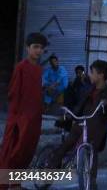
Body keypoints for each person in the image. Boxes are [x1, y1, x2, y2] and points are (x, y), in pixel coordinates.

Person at [47, 60, 107, 190]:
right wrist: (70, 113)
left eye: (92, 72)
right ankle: (48, 173)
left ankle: (91, 181)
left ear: (101, 75)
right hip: (81, 121)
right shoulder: (89, 88)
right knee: (66, 145)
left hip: (97, 125)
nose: (89, 75)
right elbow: (78, 102)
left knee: (91, 150)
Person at [0, 33, 47, 188]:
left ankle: (16, 183)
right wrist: (17, 120)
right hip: (20, 118)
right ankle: (7, 184)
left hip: (34, 118)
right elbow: (13, 94)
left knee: (27, 151)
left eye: (41, 48)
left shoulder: (39, 70)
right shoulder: (21, 67)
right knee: (13, 151)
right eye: (35, 47)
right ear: (28, 48)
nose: (38, 51)